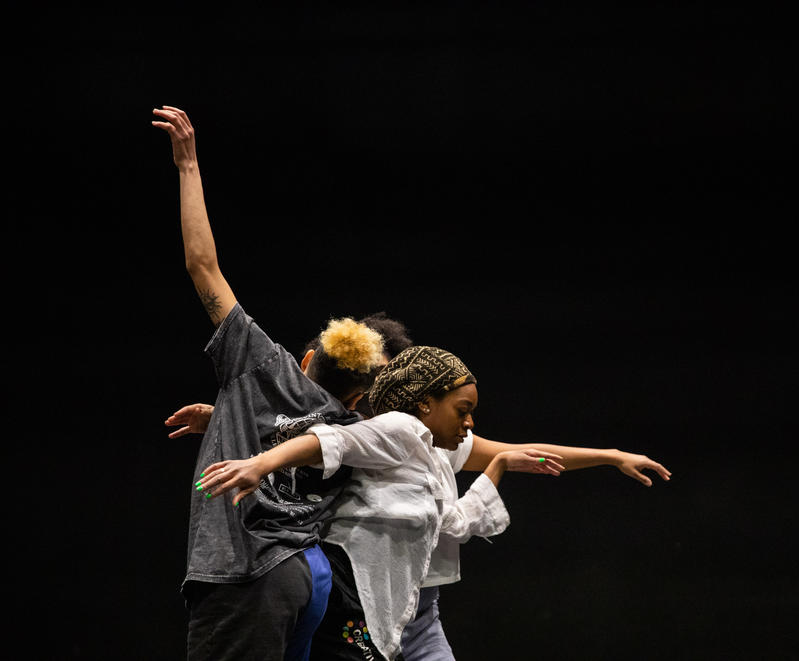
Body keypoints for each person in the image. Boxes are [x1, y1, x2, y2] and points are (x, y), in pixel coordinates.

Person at [152, 104, 410, 661]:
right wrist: (223, 419)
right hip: (305, 581)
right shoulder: (354, 426)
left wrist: (188, 165)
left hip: (246, 576)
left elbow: (203, 265)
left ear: (308, 357)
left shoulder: (260, 365)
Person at [195, 345, 564, 661]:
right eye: (462, 409)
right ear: (425, 403)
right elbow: (329, 441)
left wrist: (501, 466)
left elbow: (455, 523)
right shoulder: (399, 429)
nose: (469, 422)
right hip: (346, 591)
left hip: (387, 609)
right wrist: (259, 461)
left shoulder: (429, 458)